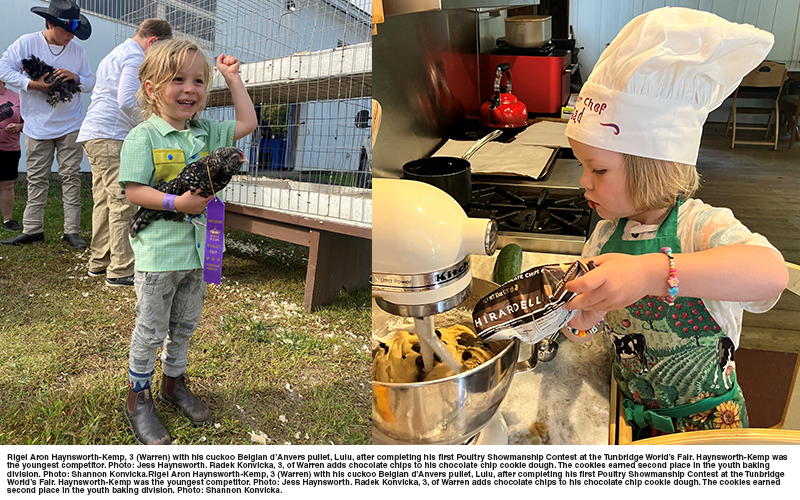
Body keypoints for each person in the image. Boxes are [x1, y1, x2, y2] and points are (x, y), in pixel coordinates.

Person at [560, 7, 789, 440]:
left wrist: (651, 272)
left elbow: (770, 275)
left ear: (653, 168)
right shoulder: (606, 234)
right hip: (633, 418)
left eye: (599, 170)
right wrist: (581, 318)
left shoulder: (698, 228)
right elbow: (591, 325)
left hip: (709, 433)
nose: (583, 182)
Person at [118, 38, 257, 445]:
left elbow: (247, 123)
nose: (190, 88)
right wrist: (175, 202)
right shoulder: (144, 137)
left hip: (200, 248)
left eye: (199, 80)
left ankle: (173, 383)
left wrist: (233, 78)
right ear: (151, 88)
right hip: (160, 252)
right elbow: (132, 191)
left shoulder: (205, 132)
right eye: (177, 79)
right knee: (151, 326)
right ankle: (138, 396)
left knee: (186, 323)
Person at [77, 19, 173, 287]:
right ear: (153, 42)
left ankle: (100, 260)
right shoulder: (134, 56)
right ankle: (121, 269)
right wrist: (150, 124)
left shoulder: (116, 52)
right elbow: (126, 100)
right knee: (123, 201)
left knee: (104, 200)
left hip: (96, 133)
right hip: (111, 135)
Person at [0, 0, 95, 248]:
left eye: (73, 30)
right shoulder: (26, 43)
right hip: (36, 126)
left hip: (71, 124)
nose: (70, 36)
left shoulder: (77, 51)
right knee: (36, 178)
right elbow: (3, 68)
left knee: (71, 178)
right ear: (49, 23)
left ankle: (71, 231)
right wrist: (32, 85)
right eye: (65, 29)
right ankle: (33, 230)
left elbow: (91, 82)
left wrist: (76, 78)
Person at [0, 80, 23, 231]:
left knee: (7, 184)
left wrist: (19, 126)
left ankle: (7, 220)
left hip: (9, 149)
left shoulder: (17, 97)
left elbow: (30, 122)